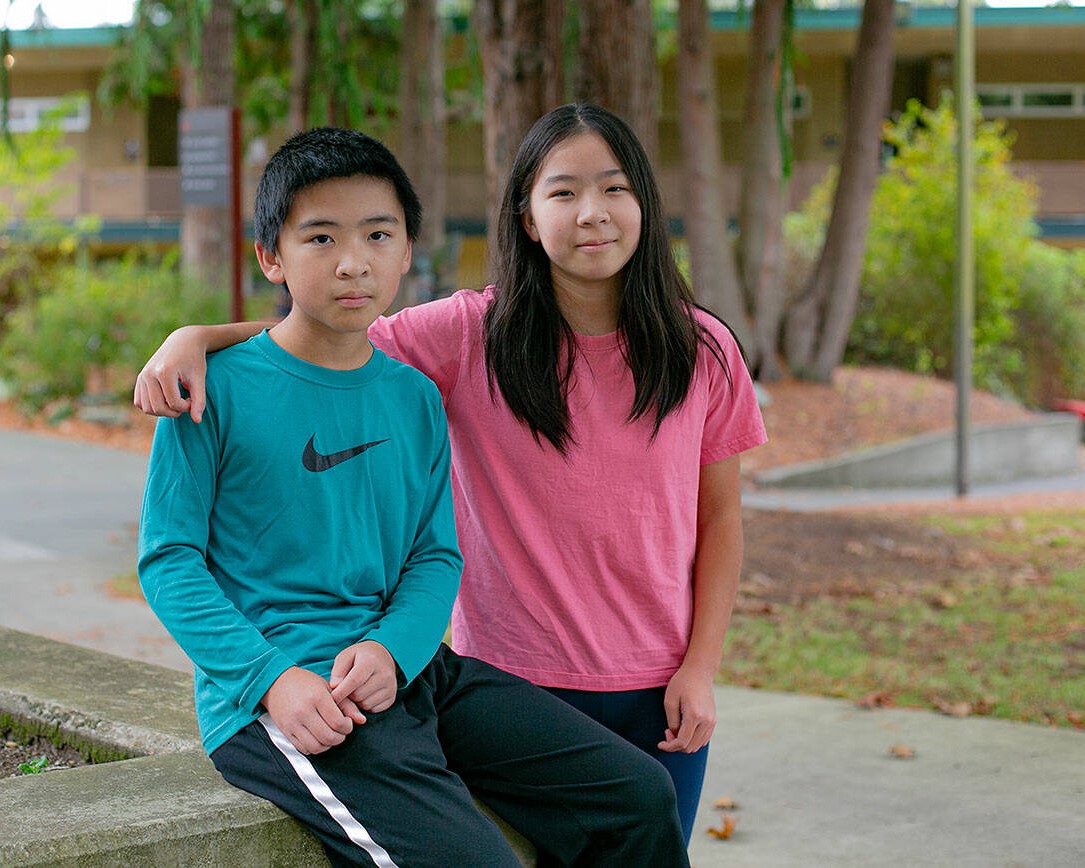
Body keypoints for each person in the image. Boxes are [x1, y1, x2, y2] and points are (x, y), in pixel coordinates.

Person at [135, 105, 767, 838]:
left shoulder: (704, 348)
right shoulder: (468, 335)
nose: (591, 213)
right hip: (516, 665)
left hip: (656, 677)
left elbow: (721, 516)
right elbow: (327, 338)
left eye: (614, 189)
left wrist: (701, 667)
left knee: (642, 806)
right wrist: (195, 339)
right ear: (527, 217)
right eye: (562, 192)